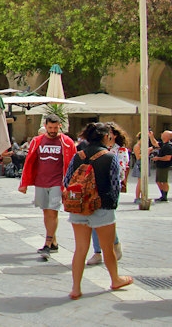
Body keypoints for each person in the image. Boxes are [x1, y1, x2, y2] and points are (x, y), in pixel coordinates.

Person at [64, 122, 133, 300]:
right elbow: (115, 184)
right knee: (107, 248)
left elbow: (67, 180)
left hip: (78, 207)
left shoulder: (78, 156)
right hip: (102, 207)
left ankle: (75, 288)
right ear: (105, 137)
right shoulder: (110, 157)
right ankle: (115, 279)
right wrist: (111, 205)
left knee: (80, 249)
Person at [18, 114, 77, 257]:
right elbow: (29, 162)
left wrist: (69, 186)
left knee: (53, 211)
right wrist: (24, 183)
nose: (53, 130)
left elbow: (73, 165)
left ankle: (48, 243)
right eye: (50, 127)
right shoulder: (37, 141)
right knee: (46, 212)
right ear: (45, 126)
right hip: (41, 181)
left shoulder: (67, 142)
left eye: (55, 128)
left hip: (58, 182)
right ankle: (54, 241)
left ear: (60, 126)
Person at [86, 122, 127, 266]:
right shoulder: (92, 149)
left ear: (114, 135)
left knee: (106, 221)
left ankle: (114, 243)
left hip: (108, 189)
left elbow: (121, 173)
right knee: (94, 222)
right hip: (91, 189)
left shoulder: (119, 151)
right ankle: (97, 252)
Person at [152, 130, 172, 202]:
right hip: (160, 165)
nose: (161, 134)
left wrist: (158, 158)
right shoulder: (163, 144)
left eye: (163, 134)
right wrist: (151, 136)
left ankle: (164, 196)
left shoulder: (168, 146)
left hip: (164, 166)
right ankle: (163, 195)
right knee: (158, 181)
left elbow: (168, 158)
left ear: (166, 136)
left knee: (163, 181)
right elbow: (155, 143)